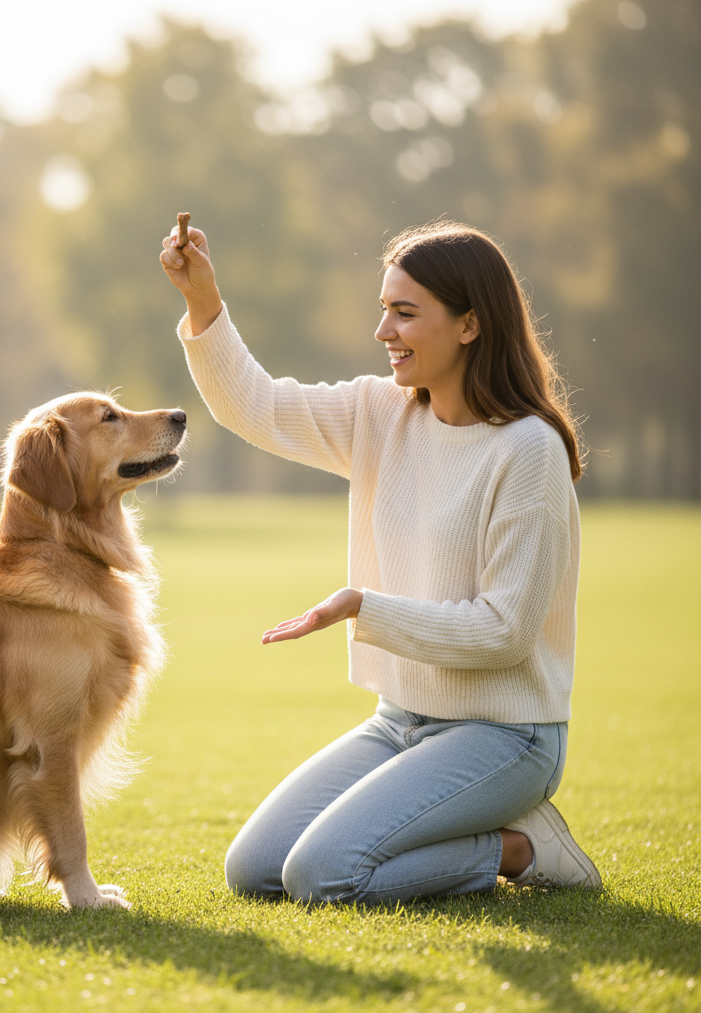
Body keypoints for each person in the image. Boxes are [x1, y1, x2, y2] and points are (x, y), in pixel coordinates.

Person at [159, 218, 602, 905]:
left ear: (469, 326)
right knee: (254, 869)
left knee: (320, 875)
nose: (383, 331)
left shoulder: (528, 451)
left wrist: (367, 608)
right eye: (383, 310)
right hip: (401, 721)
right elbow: (255, 405)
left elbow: (506, 631)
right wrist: (203, 300)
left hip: (506, 736)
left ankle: (522, 845)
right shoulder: (378, 413)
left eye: (404, 312)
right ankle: (487, 834)